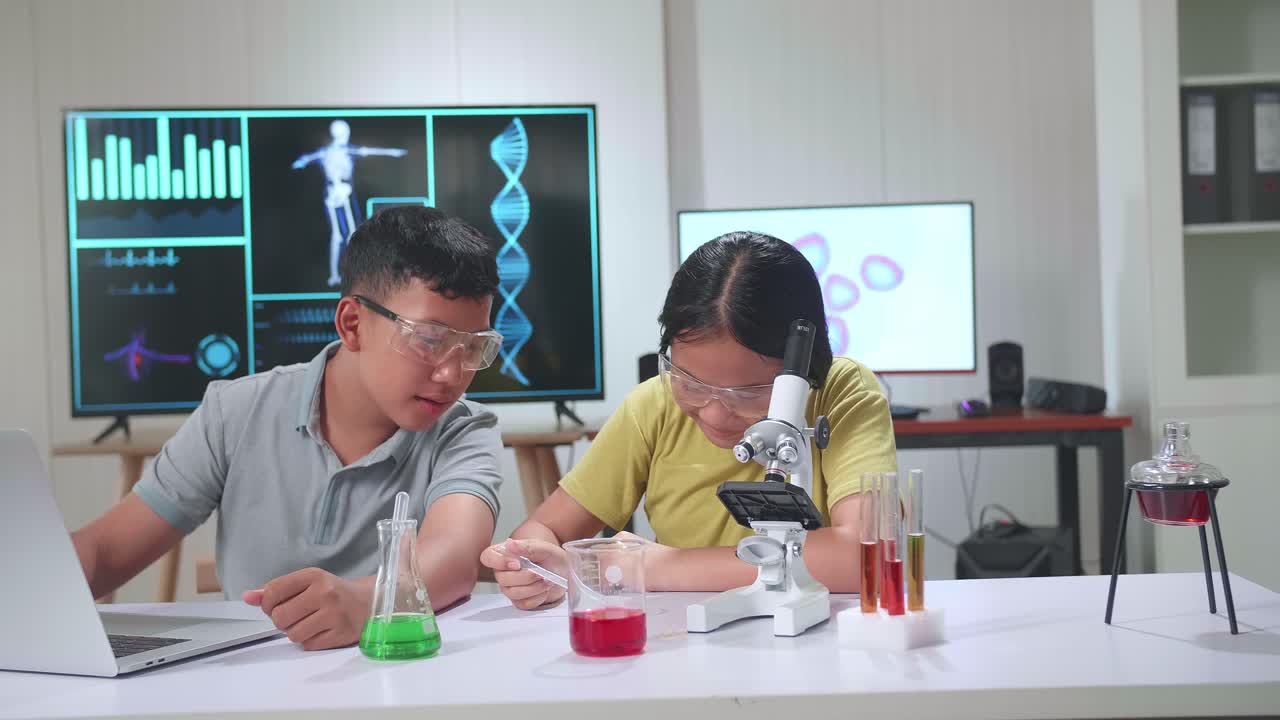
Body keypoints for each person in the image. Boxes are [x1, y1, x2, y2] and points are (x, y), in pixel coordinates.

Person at [72, 206, 506, 649]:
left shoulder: (464, 429)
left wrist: (364, 603)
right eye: (430, 340)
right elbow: (104, 551)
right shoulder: (235, 412)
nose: (452, 375)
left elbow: (454, 556)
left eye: (474, 348)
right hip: (250, 689)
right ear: (352, 324)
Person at [482, 231, 897, 609]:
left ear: (808, 369)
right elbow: (542, 528)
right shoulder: (655, 405)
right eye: (691, 383)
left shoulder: (842, 391)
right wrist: (545, 567)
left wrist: (656, 568)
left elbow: (866, 555)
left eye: (750, 393)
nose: (715, 412)